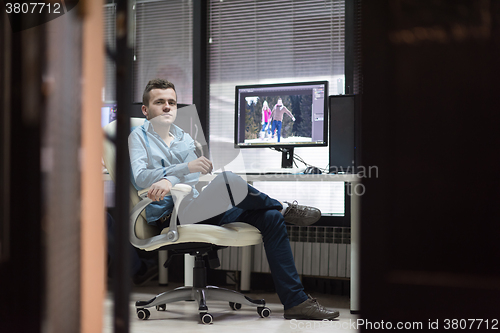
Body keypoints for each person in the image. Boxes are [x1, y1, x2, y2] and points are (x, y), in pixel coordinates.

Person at [128, 78, 339, 320]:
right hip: (171, 216)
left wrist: (171, 179)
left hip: (195, 207)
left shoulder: (182, 136)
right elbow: (142, 178)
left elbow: (195, 175)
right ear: (146, 110)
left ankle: (296, 302)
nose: (167, 107)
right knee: (229, 180)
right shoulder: (138, 137)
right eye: (159, 102)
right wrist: (183, 169)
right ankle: (283, 207)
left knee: (269, 219)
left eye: (172, 102)